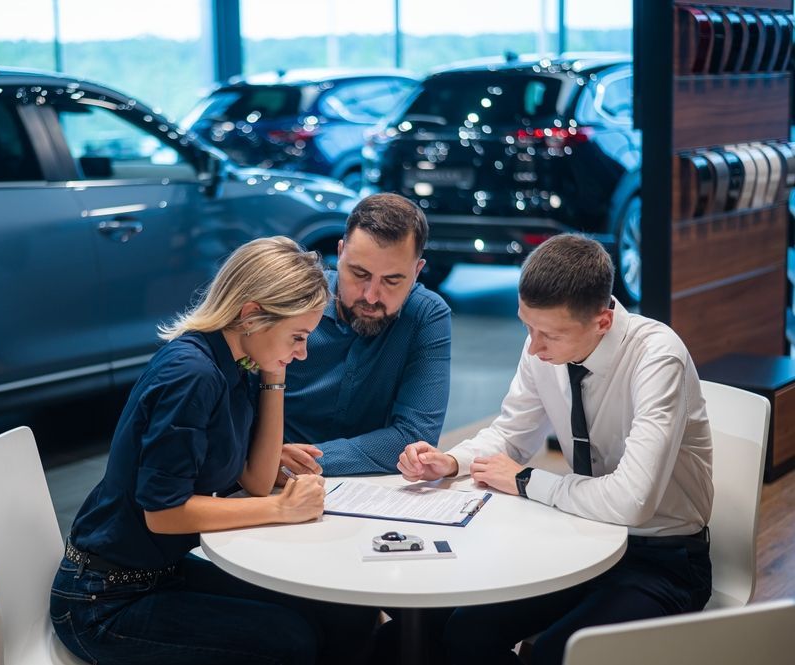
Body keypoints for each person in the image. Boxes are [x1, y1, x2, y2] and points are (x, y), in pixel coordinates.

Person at [50, 236, 377, 665]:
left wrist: (272, 376)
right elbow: (164, 512)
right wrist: (283, 511)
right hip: (103, 600)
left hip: (158, 573)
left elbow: (257, 483)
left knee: (343, 614)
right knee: (289, 641)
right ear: (252, 315)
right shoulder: (193, 375)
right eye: (297, 337)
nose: (300, 354)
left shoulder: (234, 360)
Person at [398, 234, 714, 665]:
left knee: (557, 653)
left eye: (548, 334)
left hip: (663, 560)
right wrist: (453, 461)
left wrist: (527, 481)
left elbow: (633, 503)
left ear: (602, 322)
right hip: (580, 541)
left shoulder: (657, 359)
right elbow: (512, 434)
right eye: (527, 326)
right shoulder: (544, 348)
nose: (532, 347)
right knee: (466, 631)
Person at [279, 192, 453, 479]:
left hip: (364, 493)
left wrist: (296, 463)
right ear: (340, 252)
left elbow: (414, 437)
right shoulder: (293, 302)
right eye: (359, 274)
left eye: (392, 280)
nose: (371, 296)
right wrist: (263, 460)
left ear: (417, 271)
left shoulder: (426, 316)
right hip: (263, 485)